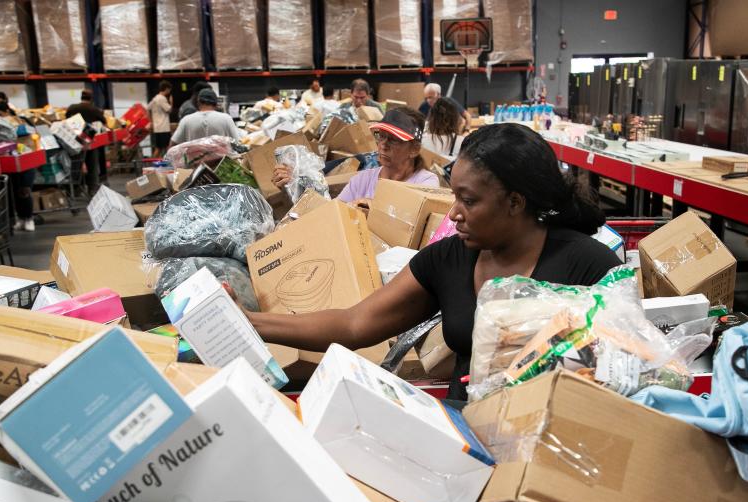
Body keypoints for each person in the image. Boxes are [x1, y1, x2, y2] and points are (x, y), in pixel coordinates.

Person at [252, 123, 620, 401]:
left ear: (515, 202)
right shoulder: (450, 259)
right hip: (469, 443)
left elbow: (628, 371)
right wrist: (248, 320)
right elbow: (352, 324)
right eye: (453, 196)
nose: (454, 213)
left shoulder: (586, 267)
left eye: (468, 200)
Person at [272, 107, 439, 204]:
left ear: (414, 149)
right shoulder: (362, 180)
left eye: (394, 140)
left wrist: (374, 209)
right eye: (381, 136)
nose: (383, 145)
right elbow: (333, 215)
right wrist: (293, 187)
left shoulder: (426, 182)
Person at [0, 101, 37, 232]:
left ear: (7, 111)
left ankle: (29, 218)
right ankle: (21, 219)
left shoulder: (21, 121)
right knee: (15, 191)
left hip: (25, 159)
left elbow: (31, 132)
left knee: (25, 190)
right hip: (11, 162)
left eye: (0, 114)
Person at [65, 89, 107, 196]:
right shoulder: (94, 109)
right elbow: (104, 122)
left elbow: (66, 118)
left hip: (75, 141)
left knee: (76, 165)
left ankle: (76, 188)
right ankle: (92, 188)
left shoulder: (72, 108)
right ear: (91, 99)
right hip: (89, 141)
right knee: (92, 164)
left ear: (81, 97)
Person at [170, 88, 239, 144]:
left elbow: (173, 144)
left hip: (194, 160)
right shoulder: (226, 118)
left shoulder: (186, 120)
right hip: (222, 161)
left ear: (198, 102)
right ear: (216, 103)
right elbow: (237, 142)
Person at [148, 81, 173, 158]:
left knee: (158, 148)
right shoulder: (162, 98)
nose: (169, 91)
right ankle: (167, 164)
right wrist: (171, 102)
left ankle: (152, 164)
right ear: (166, 89)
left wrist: (151, 121)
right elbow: (169, 110)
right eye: (169, 89)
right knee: (167, 147)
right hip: (164, 128)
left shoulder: (155, 98)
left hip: (157, 128)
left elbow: (148, 108)